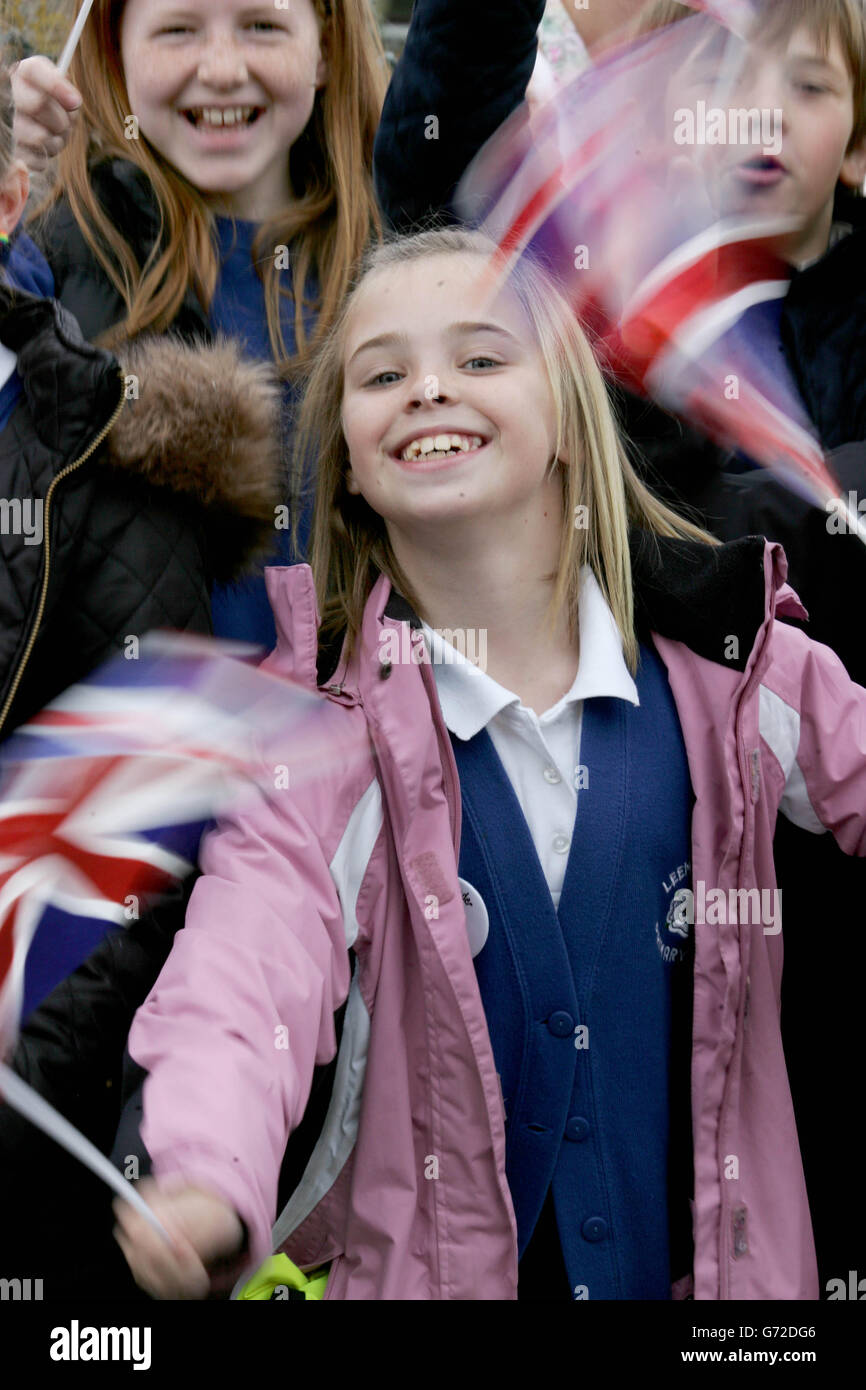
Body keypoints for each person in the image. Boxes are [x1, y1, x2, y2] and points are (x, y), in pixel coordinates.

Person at [112, 228, 866, 1301]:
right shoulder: (318, 743)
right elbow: (240, 975)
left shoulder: (738, 671)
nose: (428, 389)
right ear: (348, 467)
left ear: (566, 418)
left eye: (479, 358)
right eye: (382, 375)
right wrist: (201, 1166)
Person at [373, 0, 866, 1288]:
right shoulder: (604, 302)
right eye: (716, 86)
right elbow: (436, 171)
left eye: (802, 87)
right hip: (678, 915)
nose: (752, 120)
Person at [10, 0, 388, 646]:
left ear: (324, 49)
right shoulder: (50, 260)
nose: (221, 70)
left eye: (262, 26)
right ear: (115, 50)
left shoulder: (400, 256)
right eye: (178, 29)